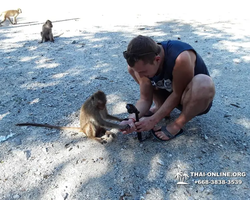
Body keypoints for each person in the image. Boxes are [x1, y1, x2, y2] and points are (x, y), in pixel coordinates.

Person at [120, 35, 215, 141]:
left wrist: (153, 120)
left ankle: (177, 125)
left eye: (143, 72)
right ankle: (160, 107)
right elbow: (145, 99)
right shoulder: (141, 66)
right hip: (170, 92)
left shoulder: (180, 58)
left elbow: (177, 94)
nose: (140, 75)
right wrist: (131, 119)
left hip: (190, 98)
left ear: (157, 59)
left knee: (204, 83)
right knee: (133, 70)